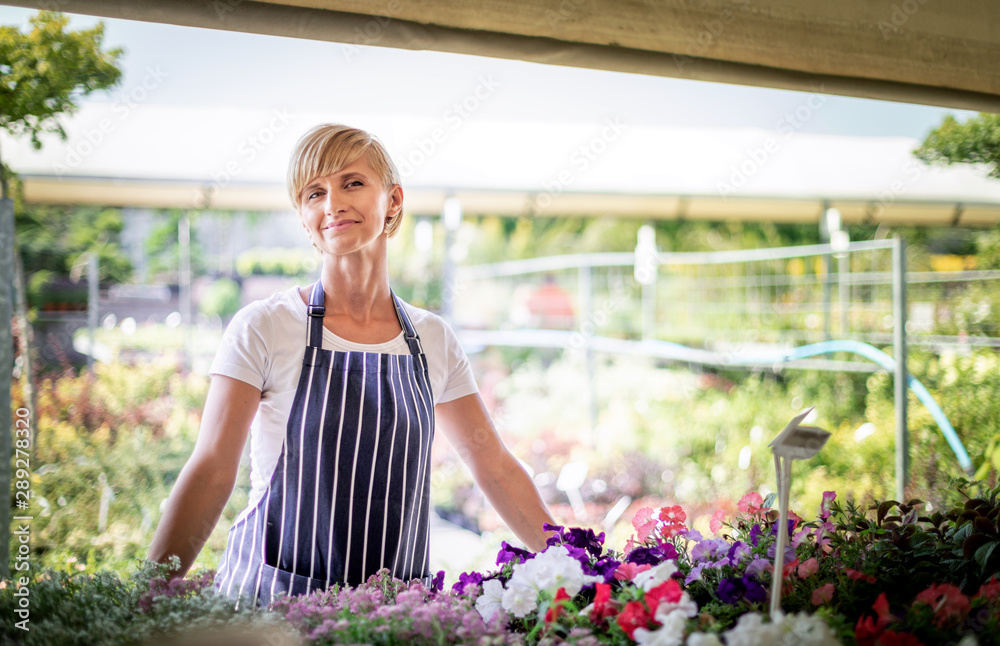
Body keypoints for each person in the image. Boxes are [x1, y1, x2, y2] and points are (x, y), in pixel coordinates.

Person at [148, 124, 555, 608]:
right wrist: (146, 597)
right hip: (268, 610)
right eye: (314, 192)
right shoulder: (265, 326)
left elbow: (495, 467)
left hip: (392, 617)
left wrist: (579, 568)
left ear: (394, 201)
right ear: (304, 219)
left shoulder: (431, 339)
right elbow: (213, 470)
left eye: (353, 183)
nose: (333, 203)